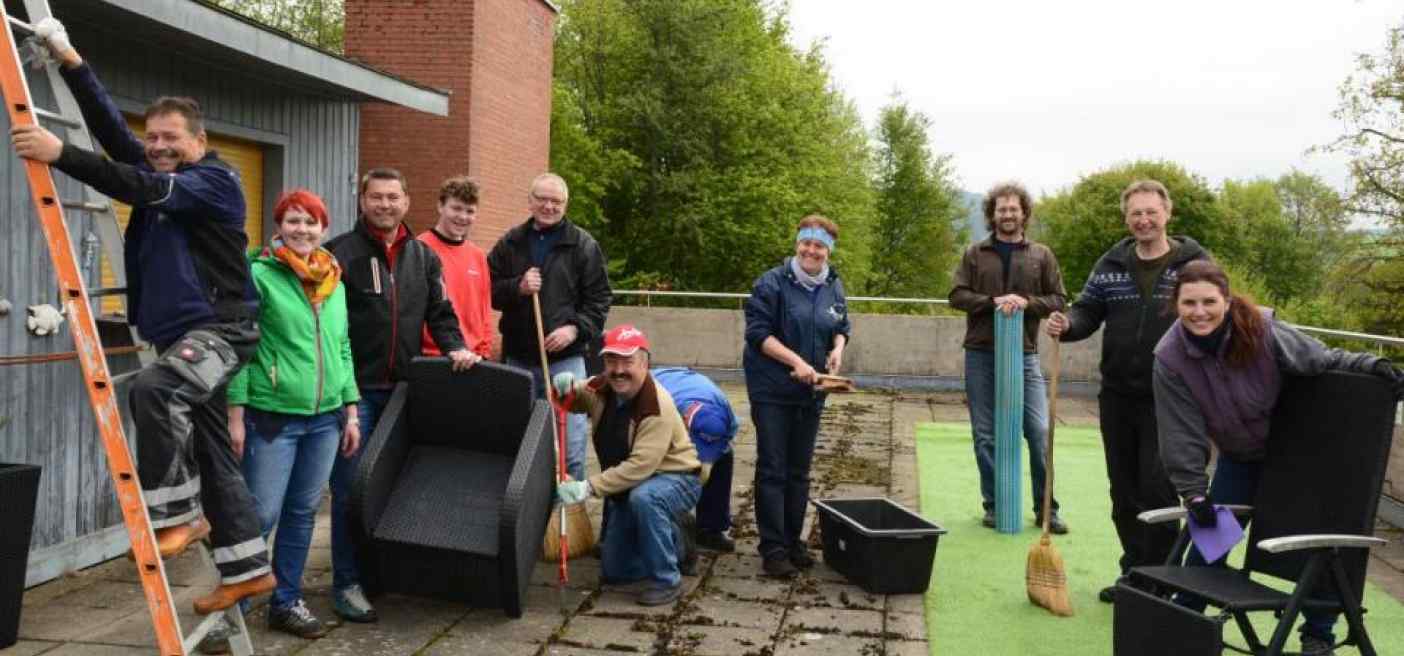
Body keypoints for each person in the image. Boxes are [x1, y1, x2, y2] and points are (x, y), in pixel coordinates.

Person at [10, 18, 272, 611]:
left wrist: (60, 154)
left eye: (170, 138)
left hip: (223, 328)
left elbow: (134, 184)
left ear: (198, 140)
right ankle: (247, 570)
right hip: (181, 334)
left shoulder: (215, 181)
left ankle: (177, 516)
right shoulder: (161, 170)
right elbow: (110, 130)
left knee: (154, 392)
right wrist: (73, 62)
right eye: (152, 137)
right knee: (212, 454)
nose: (157, 146)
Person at [1154, 259, 1404, 655]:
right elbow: (1179, 429)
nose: (1199, 312)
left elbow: (1323, 360)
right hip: (1240, 456)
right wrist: (1194, 493)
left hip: (1296, 456)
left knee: (1317, 546)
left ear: (1227, 299)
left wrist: (1370, 364)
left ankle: (1318, 632)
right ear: (1176, 304)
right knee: (1209, 538)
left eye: (1208, 301)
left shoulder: (1263, 330)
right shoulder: (1170, 357)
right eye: (1189, 303)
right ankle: (1186, 620)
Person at [1045, 179, 1210, 603]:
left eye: (1151, 212)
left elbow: (1215, 309)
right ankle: (1135, 572)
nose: (1144, 220)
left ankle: (1163, 579)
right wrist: (1067, 325)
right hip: (1118, 396)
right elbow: (1087, 310)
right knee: (1124, 492)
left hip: (1172, 397)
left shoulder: (1192, 264)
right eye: (1136, 213)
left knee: (1158, 489)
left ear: (1168, 213)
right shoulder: (1112, 262)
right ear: (1126, 218)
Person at [324, 168, 474, 623]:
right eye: (376, 197)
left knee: (391, 488)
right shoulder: (339, 255)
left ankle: (377, 573)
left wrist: (456, 348)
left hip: (403, 392)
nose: (384, 205)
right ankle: (346, 582)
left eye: (393, 197)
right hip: (355, 394)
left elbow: (440, 312)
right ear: (362, 200)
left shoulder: (422, 257)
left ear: (407, 202)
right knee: (350, 489)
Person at [225, 190, 359, 638]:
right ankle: (231, 613)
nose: (302, 230)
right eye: (293, 221)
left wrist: (351, 409)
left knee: (302, 514)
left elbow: (341, 347)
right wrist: (236, 413)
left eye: (311, 222)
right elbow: (241, 346)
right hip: (272, 418)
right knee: (259, 516)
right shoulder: (259, 274)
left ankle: (285, 601)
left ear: (324, 228)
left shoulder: (333, 280)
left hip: (326, 419)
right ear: (279, 226)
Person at [551, 325, 703, 606]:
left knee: (646, 499)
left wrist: (588, 487)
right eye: (611, 361)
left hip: (675, 478)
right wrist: (565, 388)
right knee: (615, 573)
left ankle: (667, 578)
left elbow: (639, 467)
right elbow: (577, 399)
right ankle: (672, 544)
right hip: (633, 483)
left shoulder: (655, 406)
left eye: (627, 361)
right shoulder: (604, 385)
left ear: (644, 363)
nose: (619, 370)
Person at [949, 182, 1068, 534]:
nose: (1007, 214)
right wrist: (993, 302)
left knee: (1039, 430)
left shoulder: (1041, 255)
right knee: (985, 434)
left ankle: (1046, 508)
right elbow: (956, 295)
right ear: (992, 214)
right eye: (1001, 209)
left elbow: (1059, 298)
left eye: (1013, 209)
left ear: (1024, 213)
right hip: (981, 354)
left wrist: (1026, 302)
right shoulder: (975, 253)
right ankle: (995, 504)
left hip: (1025, 354)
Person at [743, 215, 851, 578]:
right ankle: (773, 548)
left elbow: (841, 325)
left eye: (819, 245)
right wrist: (797, 362)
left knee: (799, 471)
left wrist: (838, 349)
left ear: (829, 251)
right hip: (772, 389)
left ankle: (793, 541)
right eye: (806, 243)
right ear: (797, 244)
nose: (811, 250)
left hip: (811, 392)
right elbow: (758, 334)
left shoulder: (834, 285)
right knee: (773, 468)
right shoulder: (771, 283)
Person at [488, 173, 611, 481]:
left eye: (556, 201)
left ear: (565, 205)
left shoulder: (583, 245)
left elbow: (599, 300)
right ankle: (524, 517)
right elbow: (488, 292)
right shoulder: (510, 243)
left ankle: (569, 515)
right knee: (520, 447)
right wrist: (517, 286)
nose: (548, 206)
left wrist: (574, 329)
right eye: (542, 199)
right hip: (518, 360)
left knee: (569, 449)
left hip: (566, 363)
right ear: (530, 201)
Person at [652, 367, 740, 552]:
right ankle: (612, 536)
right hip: (656, 394)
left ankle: (710, 529)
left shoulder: (728, 418)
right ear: (684, 422)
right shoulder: (663, 403)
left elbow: (724, 441)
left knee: (724, 458)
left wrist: (707, 464)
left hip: (691, 386)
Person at [418, 176, 495, 359]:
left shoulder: (478, 256)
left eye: (470, 211)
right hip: (433, 356)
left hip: (473, 358)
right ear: (440, 206)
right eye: (456, 208)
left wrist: (484, 352)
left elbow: (484, 311)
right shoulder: (418, 249)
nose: (462, 217)